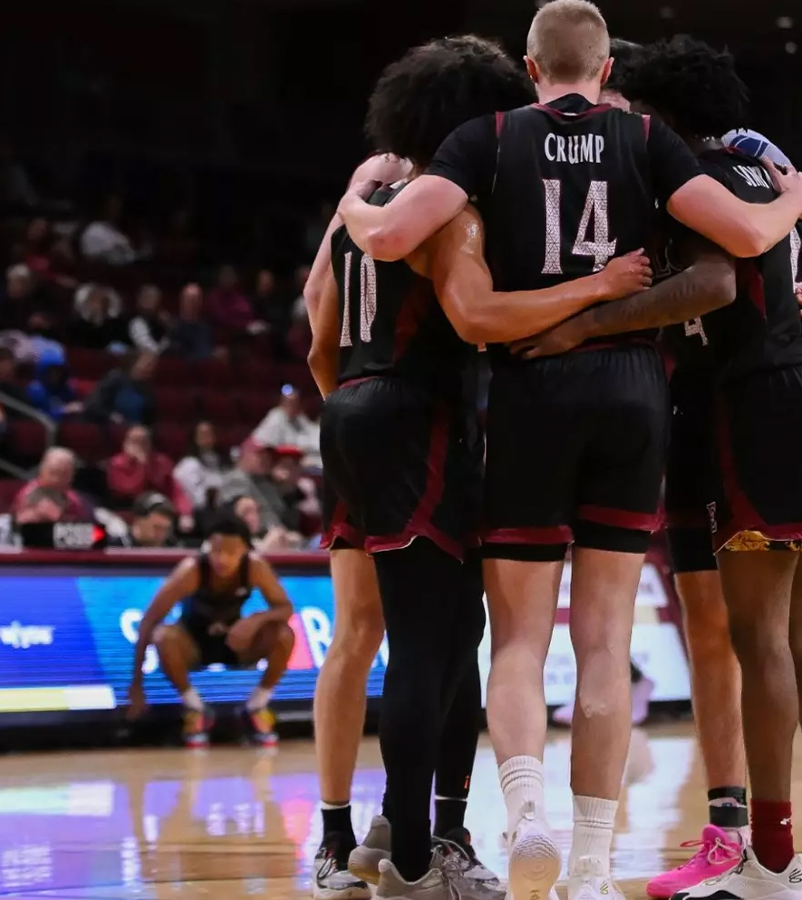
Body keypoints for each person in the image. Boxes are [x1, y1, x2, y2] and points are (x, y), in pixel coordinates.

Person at [336, 9, 802, 900]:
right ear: (605, 68)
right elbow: (744, 244)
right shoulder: (644, 139)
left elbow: (392, 237)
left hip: (529, 392)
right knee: (604, 643)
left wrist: (354, 200)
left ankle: (523, 815)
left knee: (519, 639)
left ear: (529, 66)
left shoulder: (487, 137)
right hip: (634, 393)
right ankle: (593, 868)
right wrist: (792, 200)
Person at [515, 35, 802, 900]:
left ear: (654, 112)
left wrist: (587, 324)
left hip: (756, 400)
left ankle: (768, 857)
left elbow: (714, 285)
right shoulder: (768, 170)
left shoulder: (686, 177)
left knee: (760, 637)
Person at [307, 36, 640, 900]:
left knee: (430, 636)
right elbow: (479, 313)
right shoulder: (448, 209)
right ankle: (417, 860)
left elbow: (315, 331)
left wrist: (354, 406)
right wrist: (597, 288)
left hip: (346, 414)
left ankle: (379, 836)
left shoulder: (359, 207)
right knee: (428, 646)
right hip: (416, 419)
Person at [126, 514, 296, 746]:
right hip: (193, 646)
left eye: (231, 552)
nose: (222, 559)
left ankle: (256, 707)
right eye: (216, 551)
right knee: (163, 636)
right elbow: (149, 620)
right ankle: (196, 709)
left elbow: (285, 607)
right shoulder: (191, 570)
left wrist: (256, 619)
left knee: (284, 634)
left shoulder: (255, 567)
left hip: (234, 644)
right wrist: (136, 683)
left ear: (246, 550)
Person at [251, 385, 322, 469]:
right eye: (289, 402)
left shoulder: (299, 418)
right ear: (282, 402)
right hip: (281, 466)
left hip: (304, 463)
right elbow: (263, 445)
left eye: (295, 402)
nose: (292, 406)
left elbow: (314, 437)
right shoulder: (275, 417)